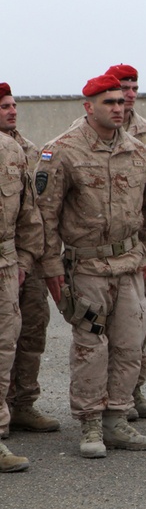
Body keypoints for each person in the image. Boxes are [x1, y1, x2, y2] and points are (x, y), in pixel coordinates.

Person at [36, 74, 146, 459]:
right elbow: (46, 218)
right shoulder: (62, 151)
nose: (117, 107)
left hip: (129, 267)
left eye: (120, 101)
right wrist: (53, 272)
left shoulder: (138, 151)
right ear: (88, 106)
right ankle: (91, 424)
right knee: (90, 348)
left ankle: (116, 418)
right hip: (87, 268)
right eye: (108, 101)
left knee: (129, 346)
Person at [0, 82, 60, 434]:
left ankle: (23, 403)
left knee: (31, 333)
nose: (12, 111)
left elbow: (36, 212)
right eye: (4, 106)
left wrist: (29, 262)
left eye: (13, 105)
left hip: (27, 260)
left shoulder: (28, 151)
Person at [105, 64, 146, 420]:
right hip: (105, 252)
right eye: (123, 86)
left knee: (141, 324)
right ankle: (107, 400)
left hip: (140, 249)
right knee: (105, 329)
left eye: (134, 86)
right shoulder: (92, 131)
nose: (128, 93)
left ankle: (133, 390)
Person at [0, 127, 43, 471]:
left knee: (3, 351)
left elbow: (29, 216)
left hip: (5, 266)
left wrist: (24, 261)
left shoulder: (11, 151)